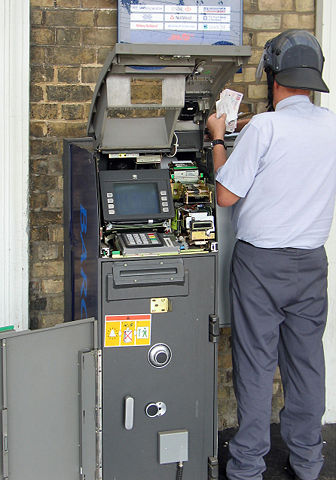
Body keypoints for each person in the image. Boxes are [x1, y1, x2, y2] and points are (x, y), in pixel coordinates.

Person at [207, 29, 336, 480]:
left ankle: (246, 465)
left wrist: (218, 138)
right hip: (311, 264)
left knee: (256, 363)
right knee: (305, 362)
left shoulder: (264, 127)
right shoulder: (331, 126)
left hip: (261, 266)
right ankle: (307, 460)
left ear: (273, 78)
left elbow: (225, 196)